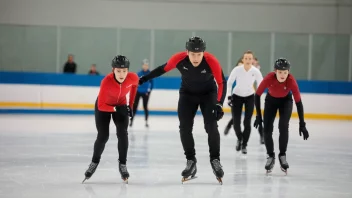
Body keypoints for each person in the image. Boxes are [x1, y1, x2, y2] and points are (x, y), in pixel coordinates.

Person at [139, 36, 226, 184]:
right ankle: (191, 161)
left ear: (204, 53)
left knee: (211, 126)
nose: (196, 58)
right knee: (184, 128)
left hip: (208, 94)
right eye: (193, 54)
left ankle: (215, 159)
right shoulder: (178, 58)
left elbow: (221, 82)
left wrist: (219, 103)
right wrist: (144, 79)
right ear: (187, 52)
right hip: (187, 94)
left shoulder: (211, 61)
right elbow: (162, 69)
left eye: (199, 54)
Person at [83, 55, 139, 183]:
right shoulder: (106, 81)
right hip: (104, 107)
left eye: (124, 71)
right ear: (113, 70)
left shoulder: (132, 77)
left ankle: (123, 165)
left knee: (123, 133)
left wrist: (130, 105)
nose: (121, 74)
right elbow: (101, 105)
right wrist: (118, 109)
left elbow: (135, 86)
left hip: (121, 105)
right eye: (118, 71)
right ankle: (94, 162)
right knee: (103, 136)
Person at [253, 58, 309, 174]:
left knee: (283, 126)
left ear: (288, 72)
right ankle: (270, 156)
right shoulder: (269, 78)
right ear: (275, 71)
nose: (283, 75)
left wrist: (302, 124)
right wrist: (259, 116)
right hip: (270, 102)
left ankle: (282, 155)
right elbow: (257, 95)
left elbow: (298, 102)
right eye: (280, 72)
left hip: (285, 102)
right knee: (267, 129)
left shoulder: (291, 81)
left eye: (285, 72)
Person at [224, 51, 263, 154]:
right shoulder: (237, 70)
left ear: (252, 60)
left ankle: (244, 145)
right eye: (246, 58)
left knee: (247, 122)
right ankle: (240, 139)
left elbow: (261, 84)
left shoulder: (256, 71)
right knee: (236, 123)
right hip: (236, 97)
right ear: (243, 59)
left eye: (250, 58)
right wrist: (229, 97)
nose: (248, 60)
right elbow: (229, 83)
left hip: (250, 97)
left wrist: (258, 97)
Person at [130, 59, 154, 127]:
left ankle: (146, 122)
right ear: (142, 66)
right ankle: (131, 121)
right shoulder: (139, 73)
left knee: (145, 107)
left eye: (146, 65)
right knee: (134, 107)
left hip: (145, 93)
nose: (145, 66)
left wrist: (149, 92)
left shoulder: (150, 74)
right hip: (138, 92)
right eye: (144, 65)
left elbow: (152, 84)